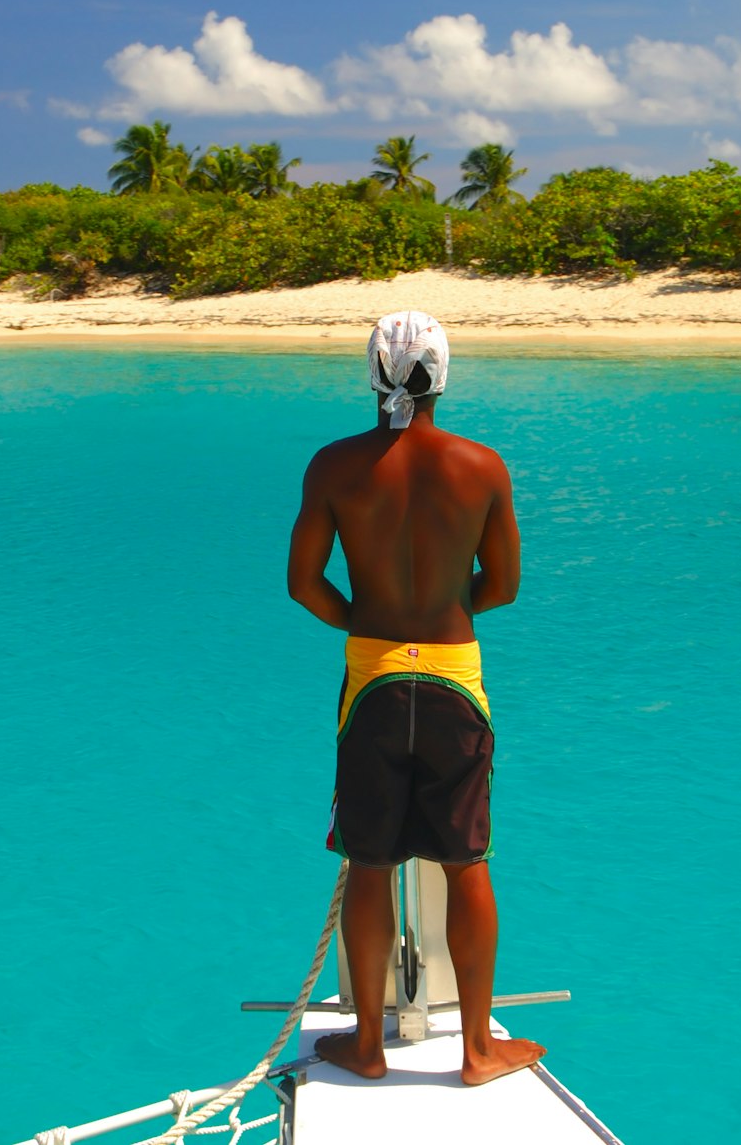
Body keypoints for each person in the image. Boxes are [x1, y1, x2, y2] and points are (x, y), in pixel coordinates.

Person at [286, 310, 546, 1087]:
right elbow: (502, 587)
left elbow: (303, 585)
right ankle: (474, 1050)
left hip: (372, 677)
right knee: (466, 861)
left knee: (369, 862)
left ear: (371, 373)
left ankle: (367, 1044)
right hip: (451, 678)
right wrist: (446, 606)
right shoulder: (481, 466)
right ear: (444, 373)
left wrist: (368, 618)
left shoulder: (333, 466)